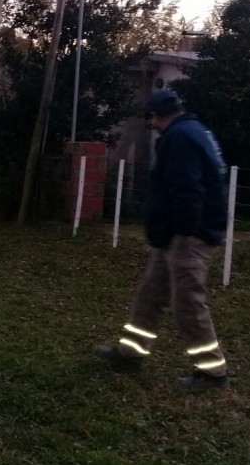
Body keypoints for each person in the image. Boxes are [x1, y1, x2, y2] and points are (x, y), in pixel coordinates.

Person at [95, 89, 229, 389]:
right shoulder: (194, 130)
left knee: (188, 302)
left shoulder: (178, 138)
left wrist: (183, 233)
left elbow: (187, 190)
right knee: (150, 295)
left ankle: (212, 372)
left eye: (151, 119)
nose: (152, 126)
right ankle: (130, 353)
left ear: (156, 115)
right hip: (174, 235)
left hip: (187, 236)